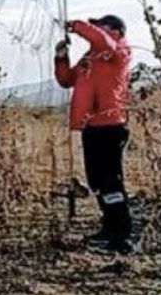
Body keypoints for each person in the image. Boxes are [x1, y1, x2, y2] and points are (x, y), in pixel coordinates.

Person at [54, 15, 135, 254]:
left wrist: (77, 26)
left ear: (115, 30)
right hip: (91, 127)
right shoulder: (90, 57)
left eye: (99, 25)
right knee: (97, 181)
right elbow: (67, 80)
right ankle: (109, 228)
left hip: (111, 126)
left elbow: (102, 41)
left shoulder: (118, 51)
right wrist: (61, 58)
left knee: (111, 182)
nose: (95, 28)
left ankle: (121, 237)